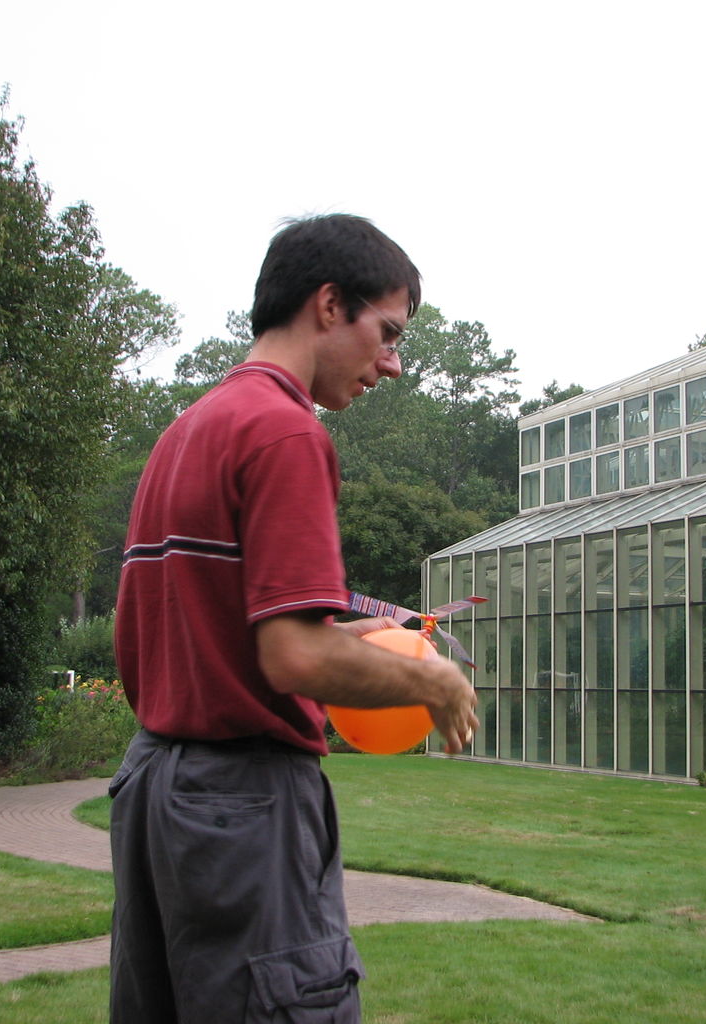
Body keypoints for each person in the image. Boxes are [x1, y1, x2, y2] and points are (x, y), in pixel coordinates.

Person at [109, 214, 479, 1023]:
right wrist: (437, 680)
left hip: (155, 796)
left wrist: (342, 639)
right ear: (326, 305)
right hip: (240, 805)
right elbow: (293, 662)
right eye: (386, 332)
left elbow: (221, 636)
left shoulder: (186, 431)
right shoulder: (284, 431)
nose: (393, 363)